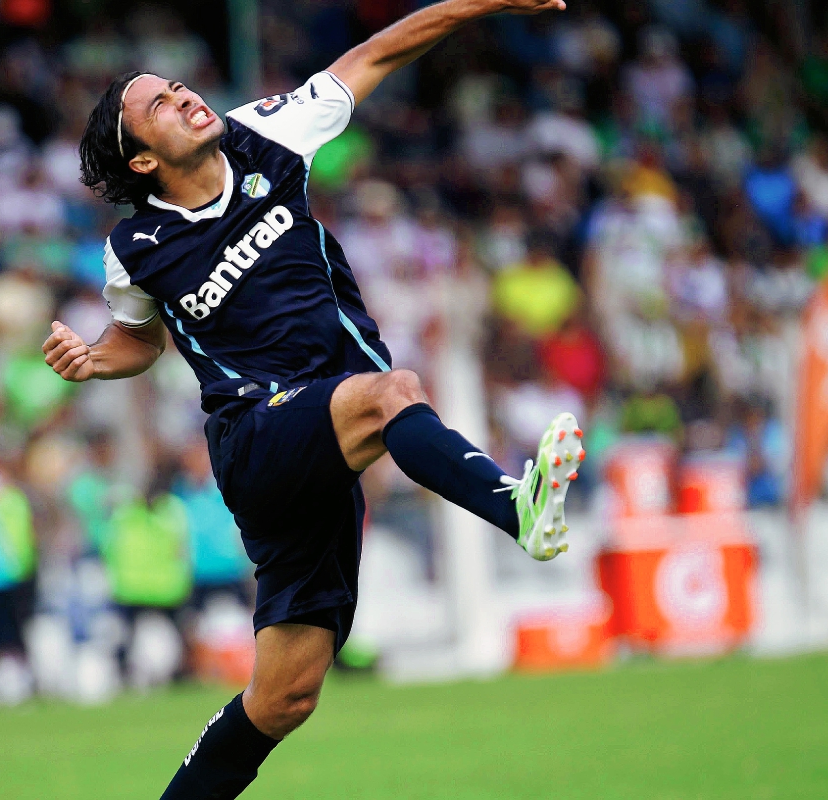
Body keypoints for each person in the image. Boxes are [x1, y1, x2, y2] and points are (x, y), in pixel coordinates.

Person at [43, 1, 578, 797]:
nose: (188, 98)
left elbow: (382, 49)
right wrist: (93, 359)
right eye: (161, 103)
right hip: (255, 436)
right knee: (392, 393)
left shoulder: (273, 133)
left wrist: (487, 2)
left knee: (283, 699)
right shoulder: (134, 250)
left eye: (181, 85)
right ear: (144, 161)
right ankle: (518, 509)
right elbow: (141, 340)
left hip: (320, 447)